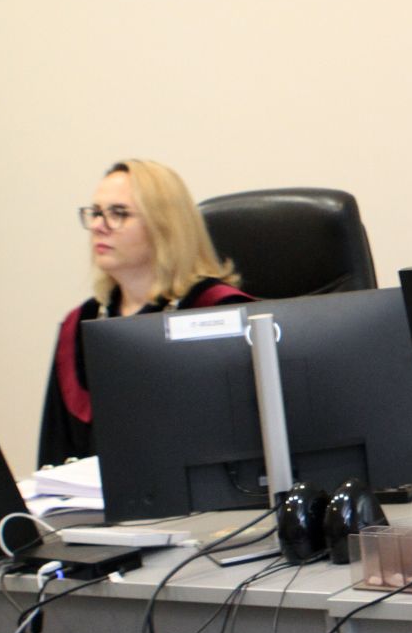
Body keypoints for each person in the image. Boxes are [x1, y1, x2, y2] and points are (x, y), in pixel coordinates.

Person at [37, 159, 253, 467]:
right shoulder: (80, 324)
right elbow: (54, 456)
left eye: (118, 213)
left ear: (165, 226)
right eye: (96, 212)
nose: (98, 225)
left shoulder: (218, 312)